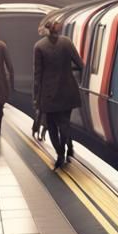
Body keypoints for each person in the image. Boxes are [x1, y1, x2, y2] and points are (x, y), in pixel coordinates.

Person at [33, 20, 83, 170]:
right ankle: (68, 148)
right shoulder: (67, 43)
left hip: (48, 93)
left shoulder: (39, 46)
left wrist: (36, 97)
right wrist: (66, 69)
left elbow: (37, 75)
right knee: (65, 123)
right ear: (59, 30)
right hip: (68, 90)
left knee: (52, 125)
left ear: (45, 30)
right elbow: (80, 64)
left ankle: (60, 154)